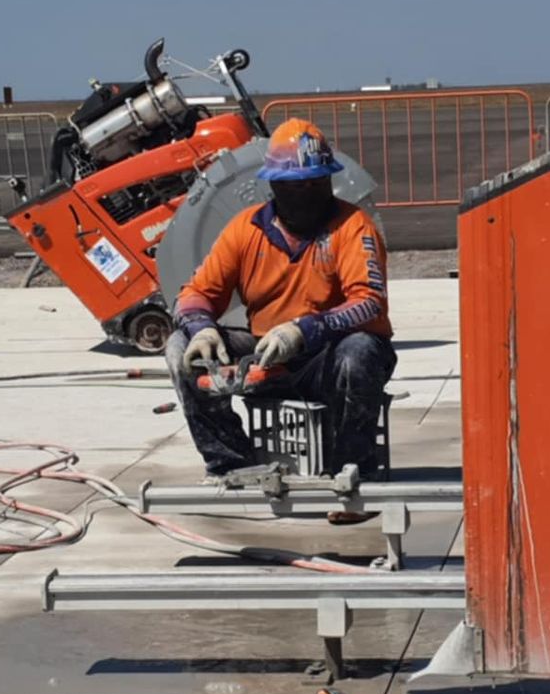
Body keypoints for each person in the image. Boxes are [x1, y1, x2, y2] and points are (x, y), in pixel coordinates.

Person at [165, 120, 395, 481]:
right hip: (267, 355)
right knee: (181, 348)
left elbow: (368, 301)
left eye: (315, 183)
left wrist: (306, 330)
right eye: (295, 185)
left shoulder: (352, 226)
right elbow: (195, 294)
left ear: (327, 180)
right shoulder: (246, 229)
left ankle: (351, 473)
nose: (306, 192)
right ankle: (232, 465)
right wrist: (202, 329)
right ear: (274, 184)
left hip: (328, 359)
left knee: (360, 352)